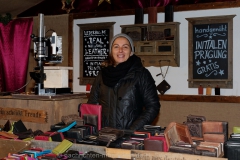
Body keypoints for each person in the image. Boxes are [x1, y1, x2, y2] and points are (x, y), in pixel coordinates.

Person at [87, 33, 160, 130]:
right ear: (111, 51)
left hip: (129, 138)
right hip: (104, 135)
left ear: (131, 52)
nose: (120, 50)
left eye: (125, 47)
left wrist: (131, 130)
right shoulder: (102, 74)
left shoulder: (141, 74)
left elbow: (153, 107)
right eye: (116, 47)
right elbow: (92, 105)